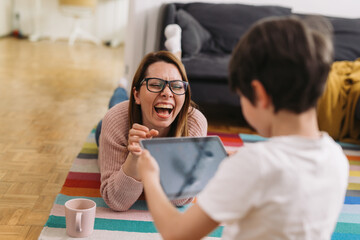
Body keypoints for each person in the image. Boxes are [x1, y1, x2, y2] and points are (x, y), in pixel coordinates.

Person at [137, 16, 349, 239]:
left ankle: (123, 91)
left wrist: (150, 176)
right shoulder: (336, 158)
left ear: (258, 94)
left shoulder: (255, 164)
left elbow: (176, 232)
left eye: (241, 97)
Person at [97, 49, 208, 212]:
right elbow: (116, 201)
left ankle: (122, 88)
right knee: (116, 102)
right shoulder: (115, 121)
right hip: (114, 121)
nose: (167, 93)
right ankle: (121, 87)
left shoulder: (195, 122)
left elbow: (181, 199)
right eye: (155, 84)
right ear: (137, 94)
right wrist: (134, 157)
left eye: (176, 86)